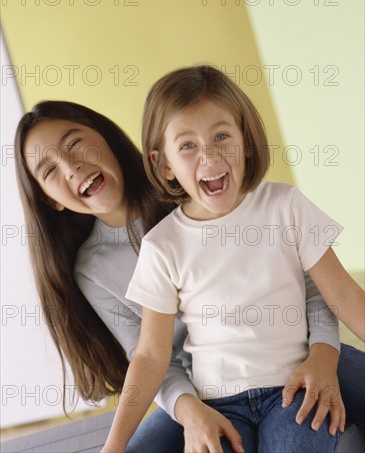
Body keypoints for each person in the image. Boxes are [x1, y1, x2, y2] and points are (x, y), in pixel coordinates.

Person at [15, 99, 363, 453]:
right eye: (49, 171)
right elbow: (149, 356)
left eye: (75, 144)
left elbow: (315, 283)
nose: (71, 166)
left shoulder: (199, 191)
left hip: (290, 354)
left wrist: (323, 352)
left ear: (105, 138)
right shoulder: (92, 269)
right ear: (49, 200)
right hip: (203, 388)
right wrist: (189, 410)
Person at [100, 65, 365, 453]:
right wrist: (113, 446)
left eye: (222, 136)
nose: (209, 153)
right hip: (217, 405)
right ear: (165, 164)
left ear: (247, 143)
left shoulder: (285, 205)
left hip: (292, 391)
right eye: (187, 145)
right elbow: (151, 354)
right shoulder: (163, 245)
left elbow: (346, 297)